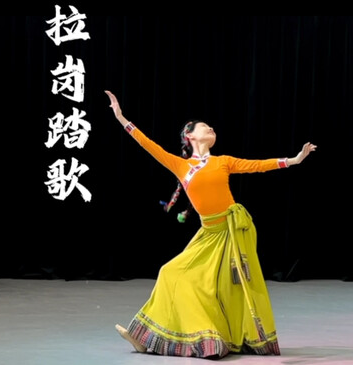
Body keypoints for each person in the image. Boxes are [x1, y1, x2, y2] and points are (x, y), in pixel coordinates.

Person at [105, 90, 316, 359]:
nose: (211, 128)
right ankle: (148, 337)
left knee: (228, 289)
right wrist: (121, 118)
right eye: (205, 126)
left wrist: (293, 160)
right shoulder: (180, 166)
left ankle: (223, 338)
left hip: (231, 233)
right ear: (190, 135)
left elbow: (256, 166)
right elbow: (148, 145)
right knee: (171, 273)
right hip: (208, 235)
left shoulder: (223, 162)